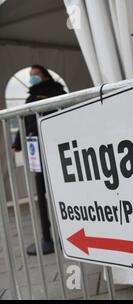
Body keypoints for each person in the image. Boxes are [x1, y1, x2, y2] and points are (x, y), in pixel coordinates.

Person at [11, 65, 66, 256]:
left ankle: (66, 233)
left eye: (35, 75)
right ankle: (47, 238)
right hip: (37, 151)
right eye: (31, 75)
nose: (32, 78)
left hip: (53, 148)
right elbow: (24, 120)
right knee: (40, 194)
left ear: (44, 75)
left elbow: (55, 114)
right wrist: (17, 142)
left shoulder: (56, 91)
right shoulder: (30, 97)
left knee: (60, 192)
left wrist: (34, 125)